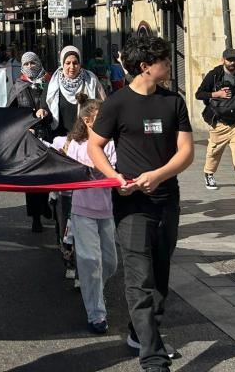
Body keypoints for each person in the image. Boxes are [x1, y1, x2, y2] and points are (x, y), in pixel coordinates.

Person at [87, 35, 193, 372]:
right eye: (164, 59)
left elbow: (187, 152)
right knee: (139, 279)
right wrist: (114, 177)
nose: (169, 64)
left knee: (160, 276)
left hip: (167, 200)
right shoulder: (117, 103)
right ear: (146, 66)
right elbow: (94, 146)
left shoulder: (173, 101)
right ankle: (153, 358)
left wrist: (159, 174)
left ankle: (139, 332)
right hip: (131, 205)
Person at [54, 92, 117, 335]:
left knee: (109, 263)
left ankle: (94, 291)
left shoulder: (110, 144)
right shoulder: (74, 144)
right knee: (91, 263)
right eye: (102, 117)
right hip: (81, 212)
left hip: (106, 212)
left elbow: (117, 168)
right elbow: (53, 145)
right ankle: (97, 314)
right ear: (89, 121)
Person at [195, 48, 235, 200]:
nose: (232, 63)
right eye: (229, 60)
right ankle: (209, 173)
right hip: (220, 121)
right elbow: (199, 94)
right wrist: (217, 94)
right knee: (214, 151)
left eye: (234, 60)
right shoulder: (215, 74)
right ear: (223, 60)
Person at [8, 52, 53, 232]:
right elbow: (11, 113)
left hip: (48, 134)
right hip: (29, 137)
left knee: (49, 174)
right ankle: (35, 217)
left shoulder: (50, 83)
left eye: (33, 63)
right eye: (26, 64)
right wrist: (24, 127)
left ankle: (45, 204)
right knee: (32, 178)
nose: (30, 67)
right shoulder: (18, 85)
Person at [47, 46, 106, 139]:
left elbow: (103, 103)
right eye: (67, 63)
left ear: (80, 64)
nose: (72, 67)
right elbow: (46, 106)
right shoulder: (53, 82)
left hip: (84, 138)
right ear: (62, 64)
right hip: (59, 138)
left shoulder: (91, 79)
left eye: (75, 63)